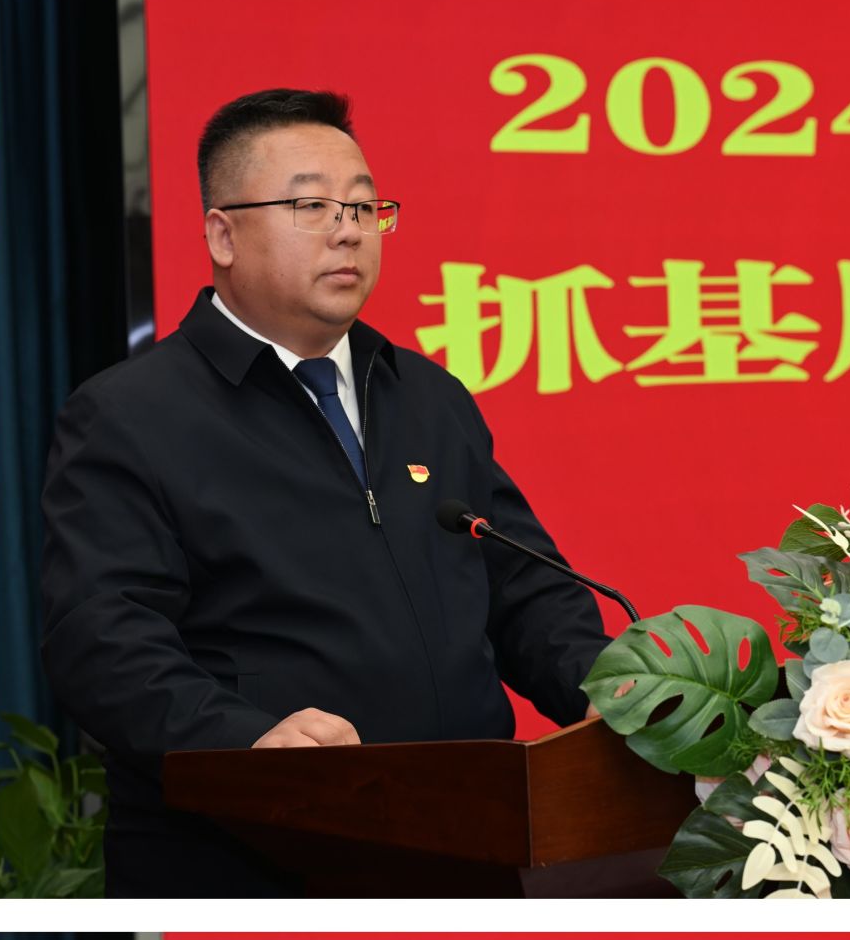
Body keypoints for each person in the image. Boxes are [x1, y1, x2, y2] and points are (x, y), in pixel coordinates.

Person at [40, 88, 609, 896]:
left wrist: (608, 690)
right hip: (255, 858)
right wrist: (244, 741)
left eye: (365, 207)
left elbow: (523, 588)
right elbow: (102, 640)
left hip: (465, 843)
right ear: (222, 234)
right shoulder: (131, 414)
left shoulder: (428, 397)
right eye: (312, 205)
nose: (349, 230)